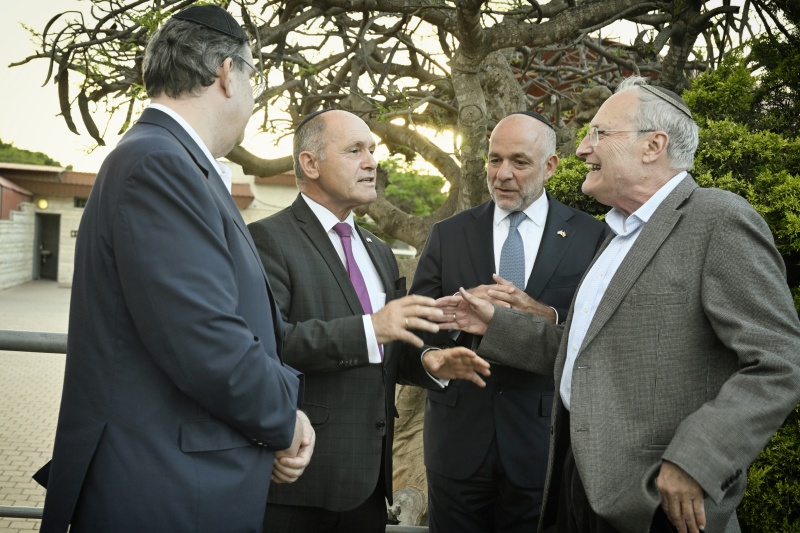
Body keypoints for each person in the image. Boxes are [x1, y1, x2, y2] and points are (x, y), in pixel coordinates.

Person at [445, 76, 800, 533]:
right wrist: (496, 323)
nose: (582, 150)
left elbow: (780, 362)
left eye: (599, 133)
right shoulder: (617, 233)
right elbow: (591, 356)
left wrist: (696, 460)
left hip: (656, 499)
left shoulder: (718, 219)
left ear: (653, 145)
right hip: (576, 484)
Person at [32, 6, 313, 532]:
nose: (254, 99)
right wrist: (285, 416)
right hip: (169, 492)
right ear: (228, 74)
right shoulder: (159, 163)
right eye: (255, 78)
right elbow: (204, 338)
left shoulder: (171, 159)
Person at [247, 108, 491, 533]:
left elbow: (386, 350)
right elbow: (267, 344)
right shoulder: (267, 239)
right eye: (355, 150)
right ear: (310, 163)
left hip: (370, 490)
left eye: (373, 150)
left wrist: (429, 361)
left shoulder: (378, 250)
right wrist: (370, 327)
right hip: (299, 485)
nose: (372, 162)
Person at [410, 111, 609, 533]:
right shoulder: (449, 234)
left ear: (550, 166)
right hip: (456, 443)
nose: (502, 174)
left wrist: (542, 313)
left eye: (519, 162)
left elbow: (603, 330)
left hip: (541, 443)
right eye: (494, 159)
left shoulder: (591, 237)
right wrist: (438, 348)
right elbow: (413, 325)